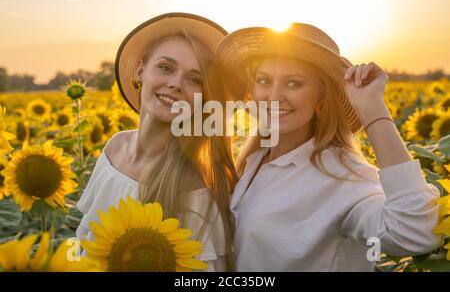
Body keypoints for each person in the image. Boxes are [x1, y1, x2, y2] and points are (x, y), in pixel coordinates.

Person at [216, 23, 443, 271]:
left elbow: (416, 232)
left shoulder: (341, 176)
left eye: (293, 83)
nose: (273, 95)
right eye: (263, 80)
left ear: (321, 98)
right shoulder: (252, 160)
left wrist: (373, 110)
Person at [76, 13, 242, 271]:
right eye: (166, 67)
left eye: (194, 79)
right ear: (141, 70)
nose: (175, 84)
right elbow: (84, 243)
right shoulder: (114, 147)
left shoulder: (196, 181)